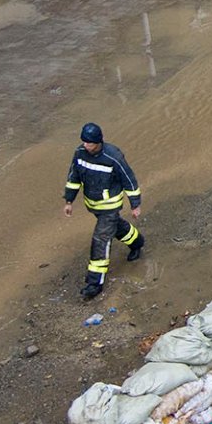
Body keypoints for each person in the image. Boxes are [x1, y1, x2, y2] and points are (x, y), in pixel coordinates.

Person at [63, 123, 144, 301]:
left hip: (110, 206)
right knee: (117, 227)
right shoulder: (79, 154)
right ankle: (137, 242)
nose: (85, 145)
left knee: (100, 240)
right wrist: (69, 200)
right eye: (84, 142)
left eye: (89, 143)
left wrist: (135, 205)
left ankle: (94, 283)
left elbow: (129, 180)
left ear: (98, 142)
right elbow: (73, 178)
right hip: (93, 205)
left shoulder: (113, 157)